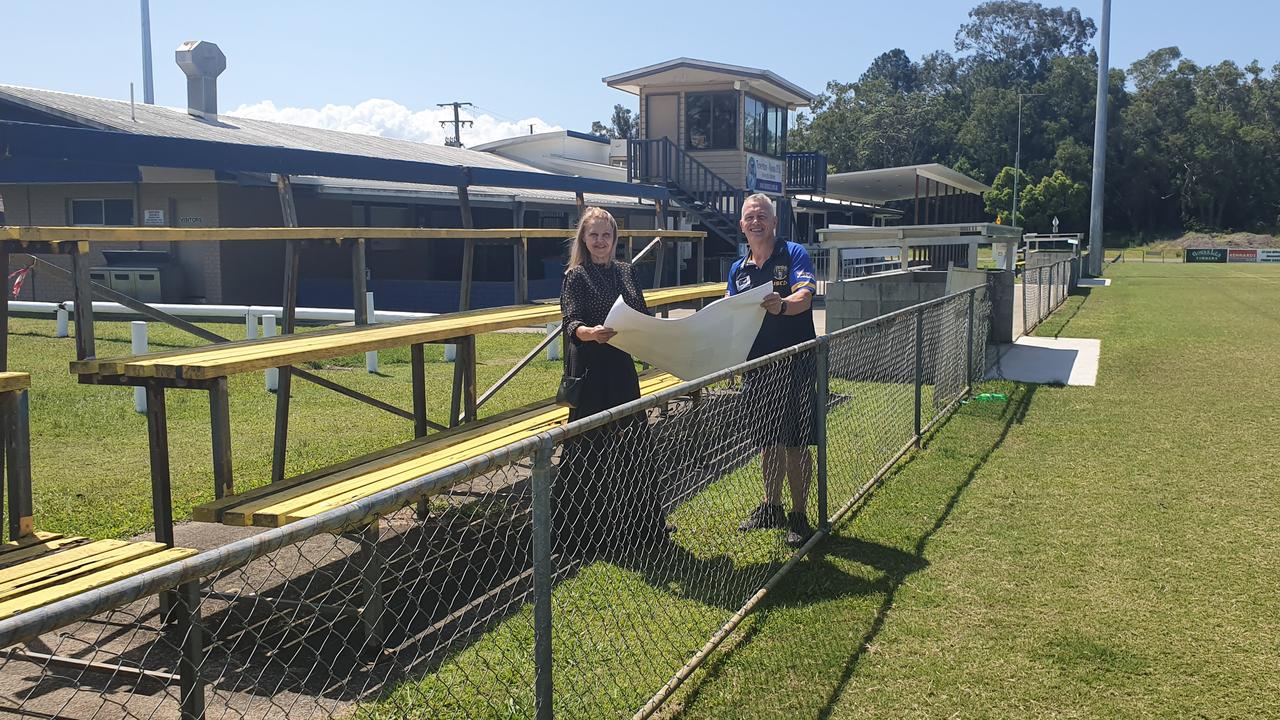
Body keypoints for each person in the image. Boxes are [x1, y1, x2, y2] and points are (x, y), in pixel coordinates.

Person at [556, 207, 668, 554]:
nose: (600, 242)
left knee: (632, 443)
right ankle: (587, 533)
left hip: (621, 366)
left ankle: (640, 524)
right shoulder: (576, 276)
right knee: (589, 449)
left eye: (606, 235)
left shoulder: (627, 272)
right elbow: (570, 322)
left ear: (615, 238)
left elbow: (642, 313)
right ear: (584, 239)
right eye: (594, 235)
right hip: (591, 369)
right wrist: (592, 332)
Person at [727, 193, 818, 548]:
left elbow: (805, 297)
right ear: (741, 225)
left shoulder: (793, 253)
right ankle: (771, 507)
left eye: (762, 215)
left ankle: (799, 515)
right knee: (768, 443)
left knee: (795, 443)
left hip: (794, 363)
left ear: (774, 222)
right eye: (750, 216)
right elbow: (733, 315)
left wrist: (782, 306)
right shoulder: (738, 269)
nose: (755, 221)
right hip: (758, 369)